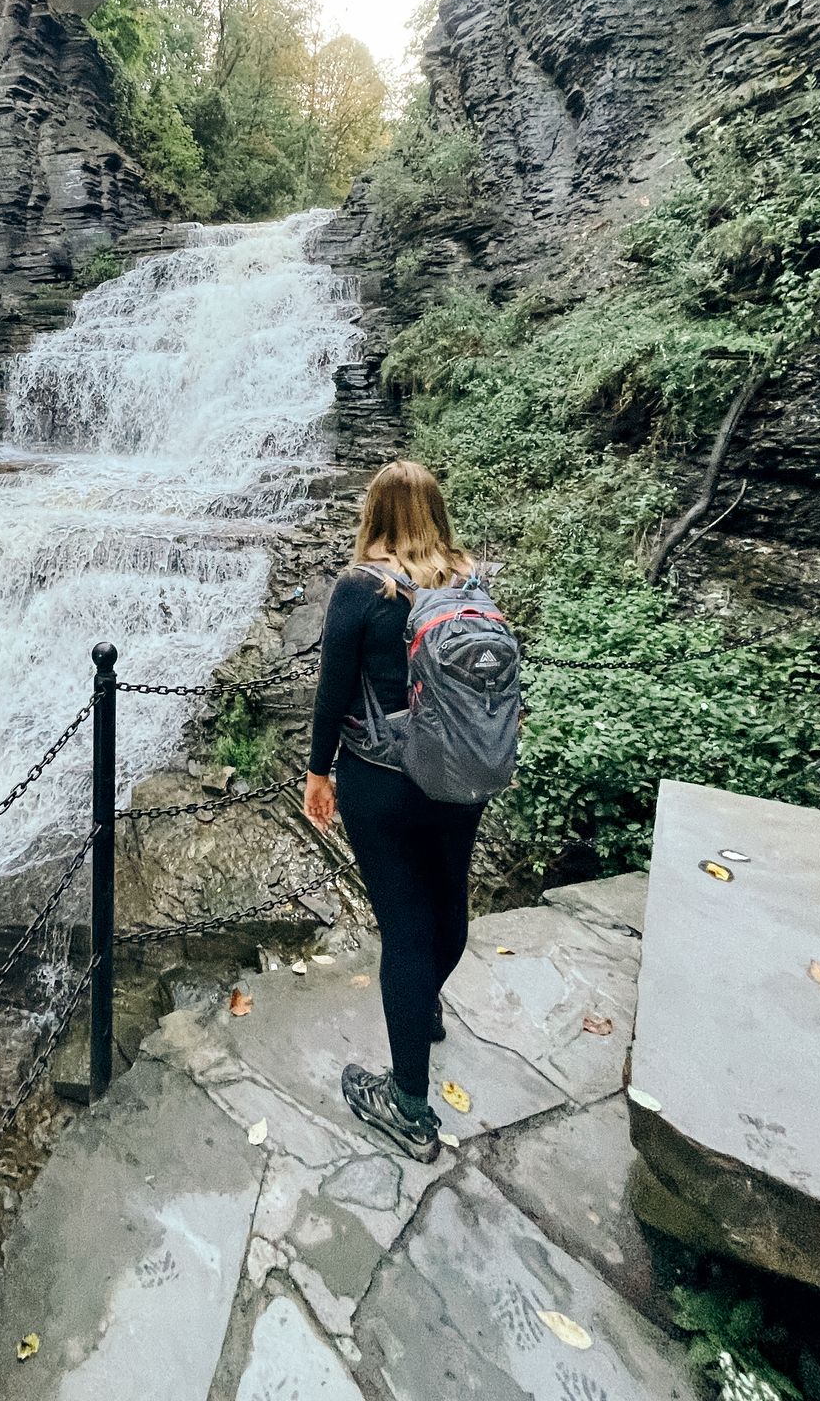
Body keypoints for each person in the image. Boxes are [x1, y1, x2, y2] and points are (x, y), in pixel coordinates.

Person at [303, 459, 483, 1164]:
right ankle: (425, 1011)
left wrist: (319, 772)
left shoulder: (361, 589)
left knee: (405, 930)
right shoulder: (469, 578)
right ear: (436, 512)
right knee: (447, 906)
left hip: (382, 780)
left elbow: (331, 693)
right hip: (463, 775)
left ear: (374, 513)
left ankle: (408, 1105)